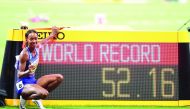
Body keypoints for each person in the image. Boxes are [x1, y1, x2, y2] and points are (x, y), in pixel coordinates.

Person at [15, 26, 64, 109]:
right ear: (27, 39)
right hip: (23, 85)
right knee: (44, 94)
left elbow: (45, 41)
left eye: (35, 39)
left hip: (33, 81)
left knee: (59, 78)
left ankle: (36, 97)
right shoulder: (25, 54)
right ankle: (25, 99)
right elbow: (19, 75)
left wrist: (53, 33)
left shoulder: (37, 47)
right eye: (31, 39)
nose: (34, 41)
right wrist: (28, 71)